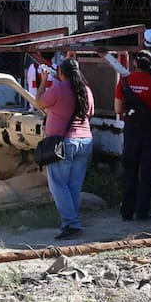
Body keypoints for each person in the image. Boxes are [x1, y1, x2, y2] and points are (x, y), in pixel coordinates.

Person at [33, 58, 94, 240]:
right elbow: (90, 113)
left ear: (60, 73)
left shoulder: (58, 89)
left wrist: (44, 79)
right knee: (74, 186)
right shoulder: (86, 90)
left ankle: (72, 224)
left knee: (58, 185)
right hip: (85, 141)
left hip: (63, 143)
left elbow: (38, 103)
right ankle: (71, 222)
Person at [114, 50, 151, 221]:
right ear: (150, 66)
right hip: (150, 131)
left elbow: (117, 109)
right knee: (147, 172)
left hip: (131, 130)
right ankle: (142, 211)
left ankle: (126, 212)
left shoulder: (124, 81)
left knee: (130, 171)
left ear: (135, 63)